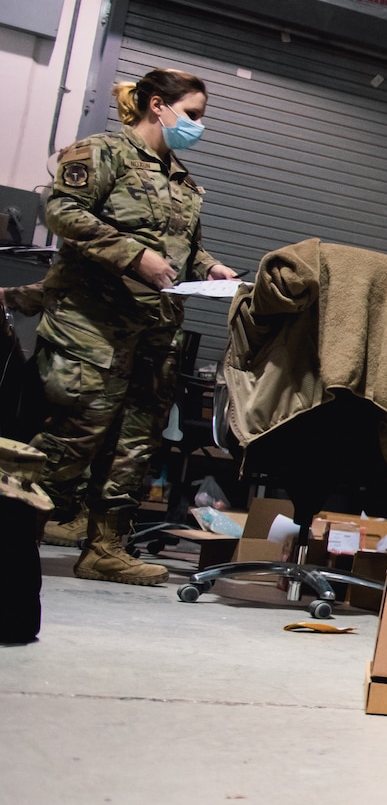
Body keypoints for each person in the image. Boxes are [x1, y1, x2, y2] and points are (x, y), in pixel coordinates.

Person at [32, 67, 237, 584]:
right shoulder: (102, 152)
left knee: (134, 443)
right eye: (192, 114)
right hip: (92, 327)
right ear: (157, 106)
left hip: (155, 331)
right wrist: (131, 255)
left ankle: (105, 548)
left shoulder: (183, 182)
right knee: (74, 436)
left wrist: (206, 267)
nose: (197, 127)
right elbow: (63, 210)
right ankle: (16, 528)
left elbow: (180, 247)